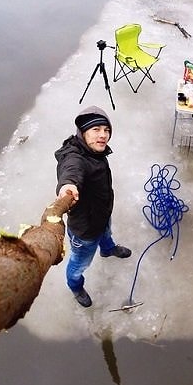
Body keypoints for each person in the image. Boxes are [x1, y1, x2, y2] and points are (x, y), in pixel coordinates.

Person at [55, 105, 131, 308]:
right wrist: (68, 186)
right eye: (96, 129)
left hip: (101, 215)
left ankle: (108, 249)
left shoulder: (95, 152)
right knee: (78, 264)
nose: (103, 135)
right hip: (85, 230)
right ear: (83, 132)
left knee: (106, 233)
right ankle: (75, 287)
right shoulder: (75, 157)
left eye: (106, 130)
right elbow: (71, 171)